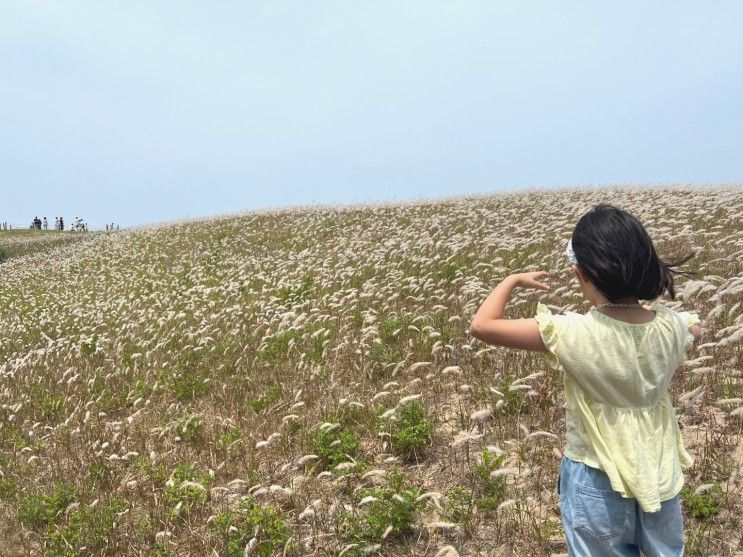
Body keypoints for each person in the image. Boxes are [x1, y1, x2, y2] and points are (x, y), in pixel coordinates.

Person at [468, 203, 701, 556]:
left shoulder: (574, 332)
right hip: (659, 474)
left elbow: (482, 325)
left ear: (583, 274)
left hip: (596, 477)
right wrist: (649, 311)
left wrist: (511, 280)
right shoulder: (672, 326)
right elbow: (693, 324)